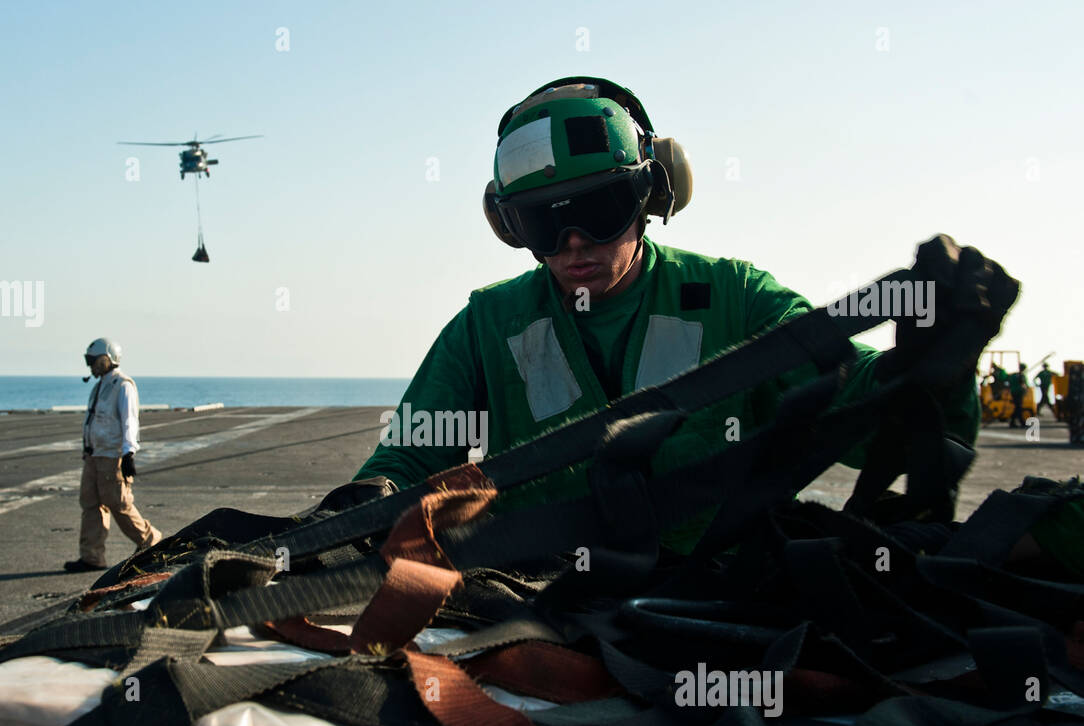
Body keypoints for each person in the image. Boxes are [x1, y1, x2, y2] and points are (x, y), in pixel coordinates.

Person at [353, 77, 1008, 553]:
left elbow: (866, 419)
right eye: (543, 222)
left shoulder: (736, 297)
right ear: (508, 226)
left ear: (651, 193)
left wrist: (930, 359)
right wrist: (359, 509)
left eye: (600, 209)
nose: (575, 241)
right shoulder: (489, 323)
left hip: (716, 602)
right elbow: (406, 460)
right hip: (544, 607)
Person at [64, 338, 163, 572]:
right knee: (90, 504)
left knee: (119, 504)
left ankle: (152, 542)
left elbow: (130, 420)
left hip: (112, 456)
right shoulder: (99, 386)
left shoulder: (123, 385)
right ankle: (91, 556)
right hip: (94, 455)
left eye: (93, 361)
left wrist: (129, 453)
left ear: (107, 359)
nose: (90, 366)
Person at [1008, 363, 1029, 428]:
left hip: (1013, 392)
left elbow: (1010, 382)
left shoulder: (1013, 375)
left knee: (1018, 407)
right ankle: (1019, 422)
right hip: (1019, 393)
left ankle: (1015, 422)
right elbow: (1024, 385)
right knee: (1018, 407)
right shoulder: (1022, 376)